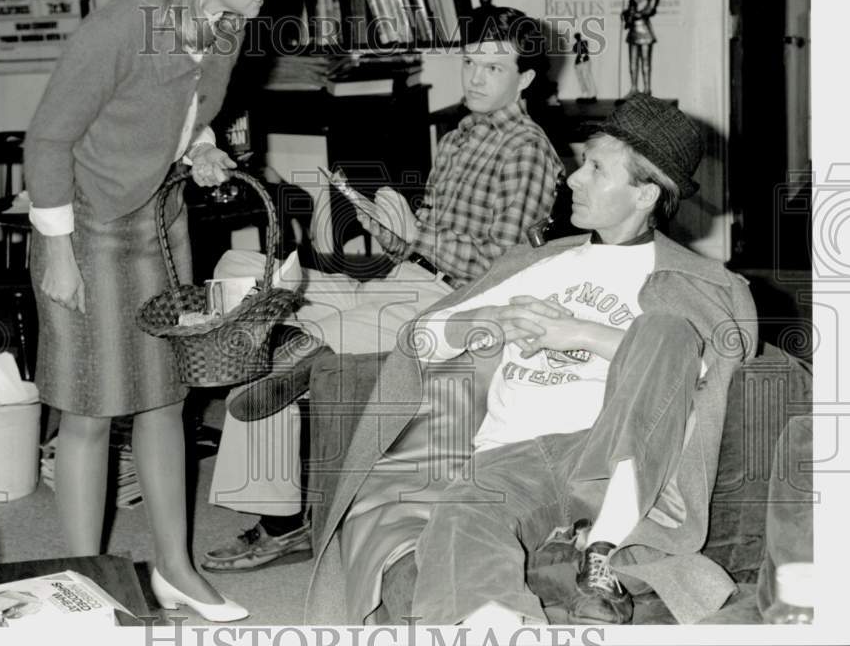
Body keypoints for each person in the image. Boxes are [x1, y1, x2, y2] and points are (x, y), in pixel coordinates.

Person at [303, 95, 756, 626]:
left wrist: (579, 333)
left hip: (606, 454)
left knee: (664, 331)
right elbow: (422, 341)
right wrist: (487, 320)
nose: (572, 180)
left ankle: (602, 547)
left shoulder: (689, 282)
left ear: (645, 192)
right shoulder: (542, 263)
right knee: (463, 511)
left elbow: (700, 365)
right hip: (509, 460)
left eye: (595, 168)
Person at [202, 6, 565, 572]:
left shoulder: (526, 149)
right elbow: (422, 240)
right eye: (470, 62)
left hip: (461, 302)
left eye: (493, 68)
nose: (473, 77)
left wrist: (414, 235)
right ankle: (291, 350)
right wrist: (386, 228)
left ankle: (283, 518)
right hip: (414, 276)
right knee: (244, 271)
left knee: (292, 334)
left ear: (525, 79)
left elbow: (500, 265)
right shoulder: (463, 133)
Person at [23, 0, 289, 622]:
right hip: (83, 227)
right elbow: (46, 140)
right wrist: (58, 256)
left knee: (166, 401)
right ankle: (85, 585)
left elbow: (190, 114)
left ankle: (173, 568)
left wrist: (202, 149)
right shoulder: (121, 27)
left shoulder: (228, 29)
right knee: (88, 410)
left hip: (159, 218)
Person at [622, 0, 663, 97]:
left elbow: (650, 9)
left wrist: (636, 14)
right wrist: (627, 14)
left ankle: (647, 90)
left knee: (645, 61)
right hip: (633, 28)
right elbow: (630, 7)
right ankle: (633, 88)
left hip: (644, 28)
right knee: (632, 61)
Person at [573, 31, 597, 102]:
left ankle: (592, 94)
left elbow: (585, 50)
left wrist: (583, 56)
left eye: (578, 36)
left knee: (587, 77)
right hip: (579, 63)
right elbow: (575, 50)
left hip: (585, 61)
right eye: (576, 37)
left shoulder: (584, 42)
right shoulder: (576, 44)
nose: (577, 38)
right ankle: (585, 93)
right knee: (581, 78)